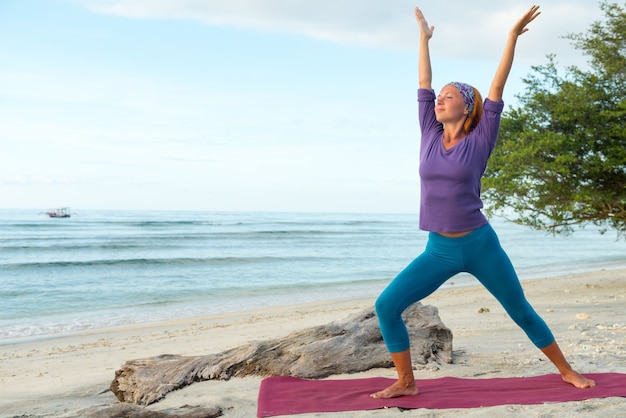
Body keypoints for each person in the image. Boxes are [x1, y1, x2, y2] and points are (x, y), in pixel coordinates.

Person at [370, 5, 597, 399]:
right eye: (438, 96)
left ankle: (566, 371)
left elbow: (497, 87)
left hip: (479, 245)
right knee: (386, 305)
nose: (439, 99)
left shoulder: (481, 137)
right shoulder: (429, 131)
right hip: (438, 250)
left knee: (520, 310)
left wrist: (510, 37)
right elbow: (424, 79)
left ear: (467, 106)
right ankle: (406, 382)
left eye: (449, 96)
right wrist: (424, 39)